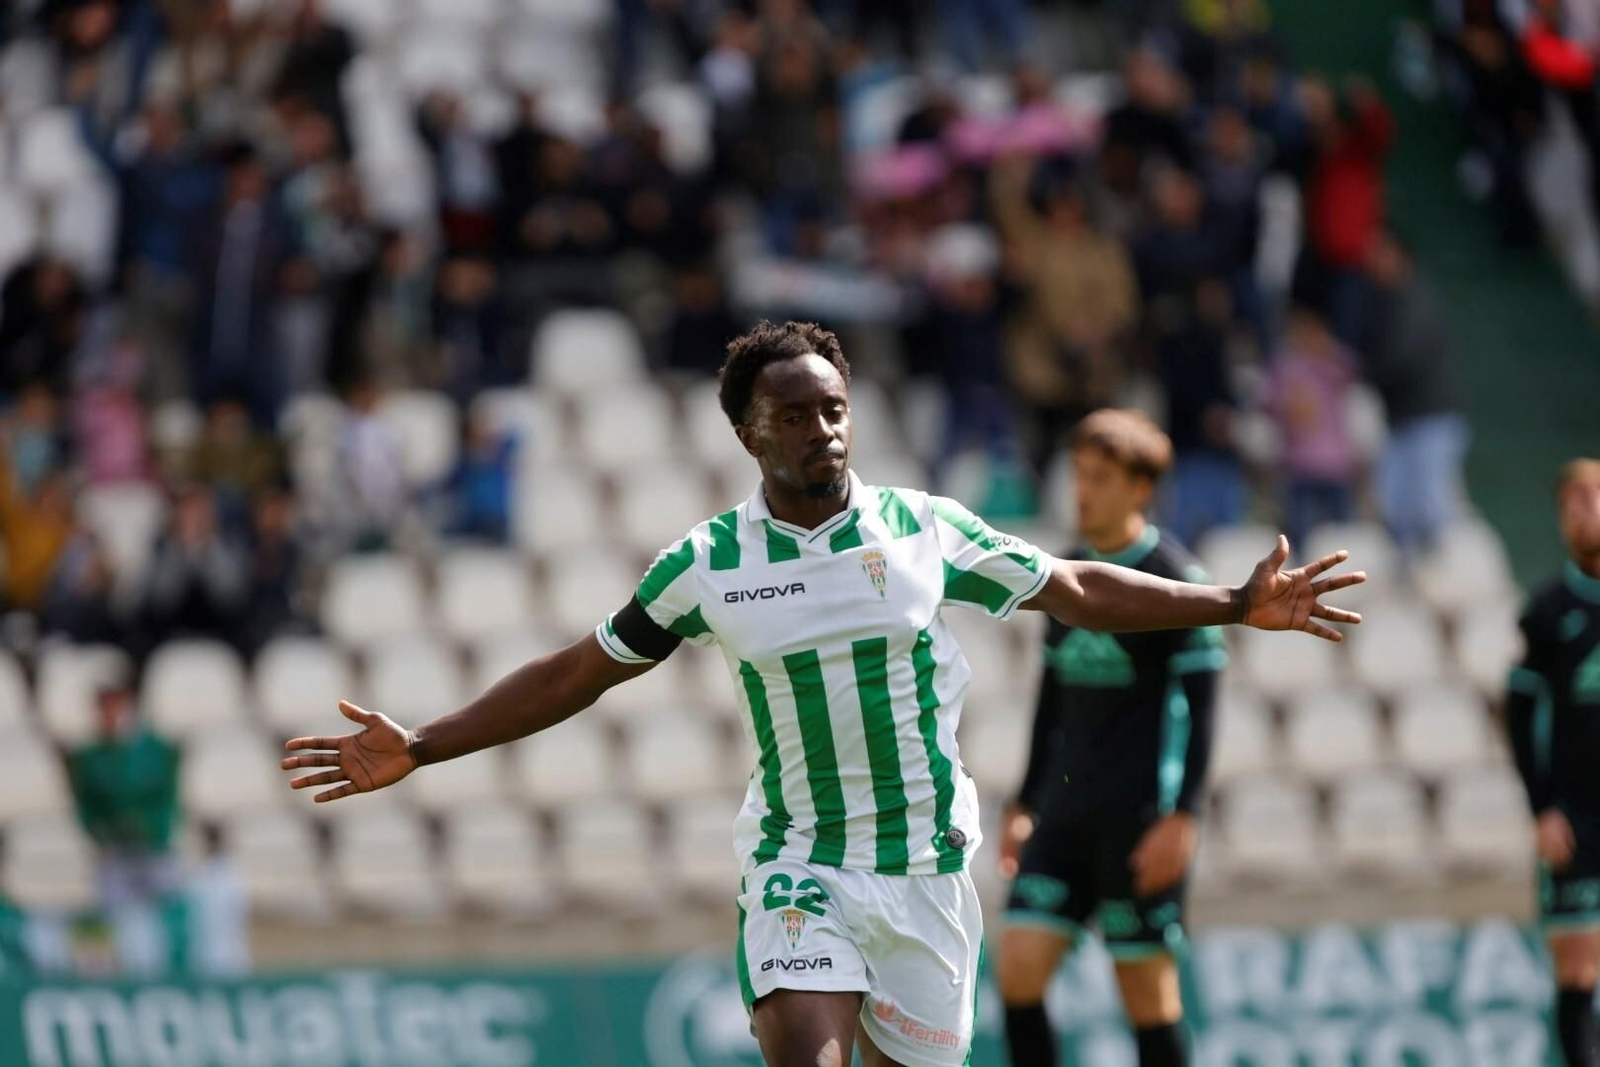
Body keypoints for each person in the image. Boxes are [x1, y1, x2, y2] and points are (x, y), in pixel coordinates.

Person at [281, 321, 1364, 1067]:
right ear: (748, 431)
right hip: (799, 861)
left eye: (835, 410)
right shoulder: (706, 563)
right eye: (795, 415)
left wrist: (1232, 601)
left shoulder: (923, 528)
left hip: (927, 873)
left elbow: (1074, 587)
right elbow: (579, 670)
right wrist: (423, 743)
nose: (824, 431)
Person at [996, 410, 1224, 1067]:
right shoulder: (1064, 573)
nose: (1083, 491)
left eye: (1100, 478)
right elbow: (1050, 700)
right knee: (1018, 968)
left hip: (1138, 824)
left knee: (1147, 995)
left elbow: (1202, 710)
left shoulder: (1177, 582)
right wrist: (1025, 802)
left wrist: (1184, 817)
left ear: (1140, 489)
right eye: (1079, 475)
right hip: (1063, 818)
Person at [1508, 458, 1600, 1067]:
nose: (1581, 511)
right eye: (1570, 503)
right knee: (1578, 966)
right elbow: (1519, 714)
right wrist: (1542, 809)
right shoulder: (1547, 609)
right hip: (1576, 817)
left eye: (1591, 497)